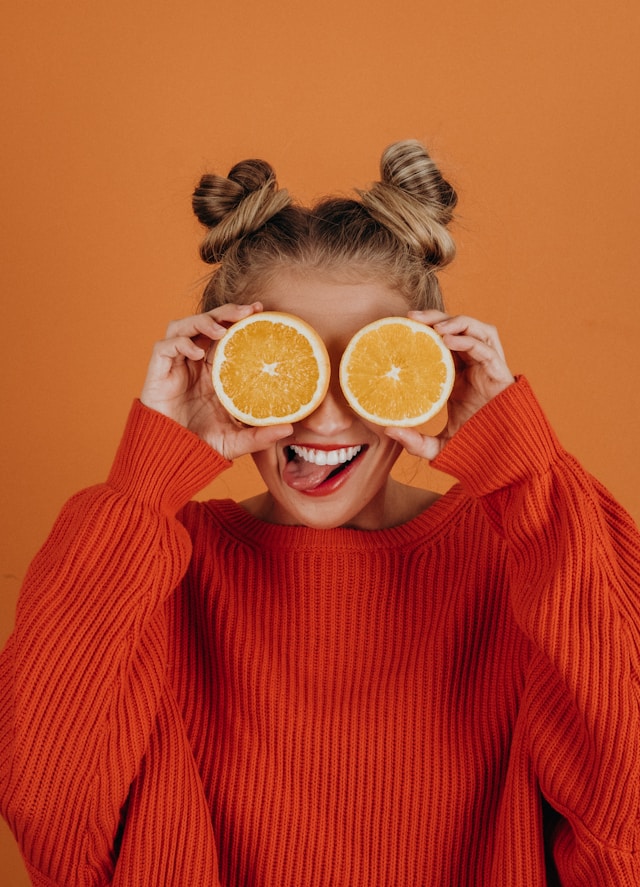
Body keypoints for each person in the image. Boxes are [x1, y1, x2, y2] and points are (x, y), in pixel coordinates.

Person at [1, 140, 639, 887]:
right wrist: (145, 480)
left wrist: (526, 473)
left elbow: (623, 824)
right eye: (284, 363)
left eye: (370, 364)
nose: (328, 419)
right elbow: (49, 816)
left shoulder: (528, 550)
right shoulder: (156, 566)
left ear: (433, 368)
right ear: (219, 367)